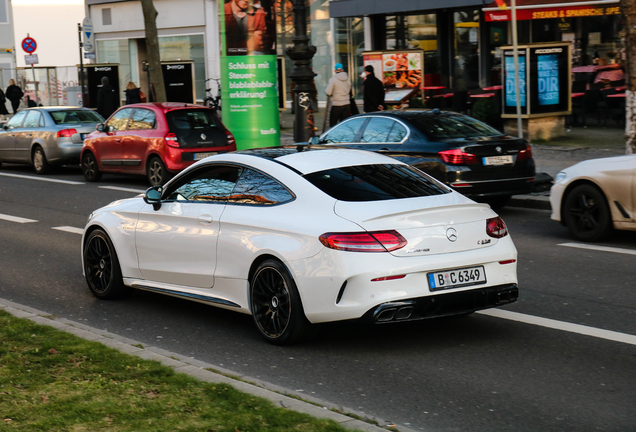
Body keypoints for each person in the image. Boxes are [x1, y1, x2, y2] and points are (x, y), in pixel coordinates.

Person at [325, 63, 351, 127]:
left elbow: (328, 92)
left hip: (337, 104)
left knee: (333, 124)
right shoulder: (348, 78)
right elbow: (349, 89)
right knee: (344, 124)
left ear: (335, 70)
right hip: (347, 104)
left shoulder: (333, 79)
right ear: (343, 70)